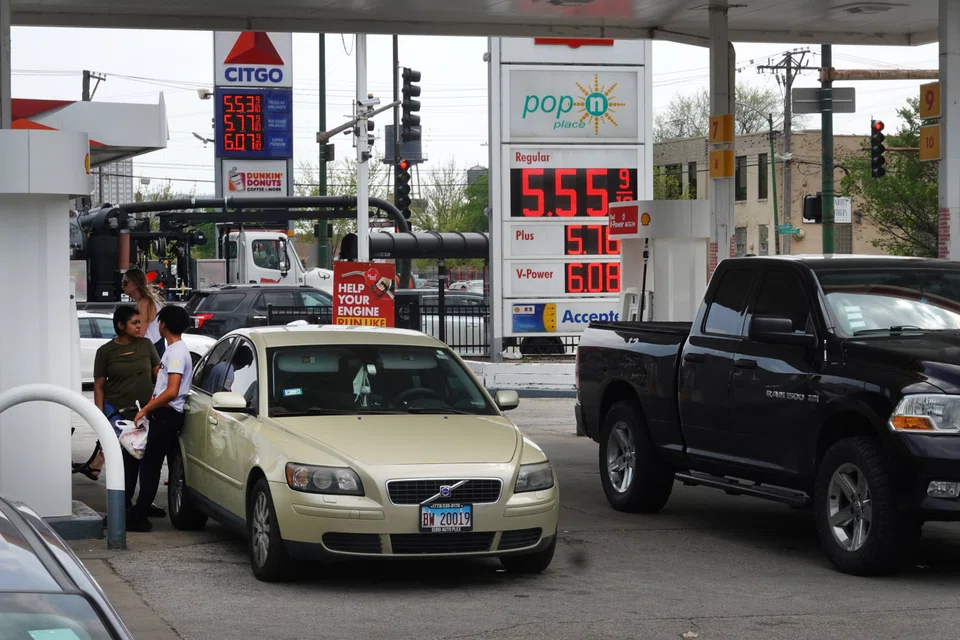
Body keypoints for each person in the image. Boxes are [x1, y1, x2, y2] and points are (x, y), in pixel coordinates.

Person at [125, 305, 194, 532]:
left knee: (151, 466)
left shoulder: (176, 352)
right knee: (149, 464)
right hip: (164, 413)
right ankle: (141, 510)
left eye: (159, 321)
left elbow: (172, 390)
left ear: (164, 324)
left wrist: (145, 409)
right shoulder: (174, 349)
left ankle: (140, 515)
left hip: (167, 414)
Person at [83, 306, 160, 481]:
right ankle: (121, 497)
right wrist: (100, 415)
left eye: (139, 322)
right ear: (120, 325)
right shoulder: (105, 351)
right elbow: (99, 386)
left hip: (145, 411)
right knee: (120, 454)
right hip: (116, 409)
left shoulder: (146, 345)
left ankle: (131, 496)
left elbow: (158, 374)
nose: (140, 326)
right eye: (134, 323)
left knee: (139, 455)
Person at [122, 267, 166, 358]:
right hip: (154, 348)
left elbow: (140, 333)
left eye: (125, 283)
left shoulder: (144, 303)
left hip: (149, 351)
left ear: (135, 283)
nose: (122, 286)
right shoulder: (147, 301)